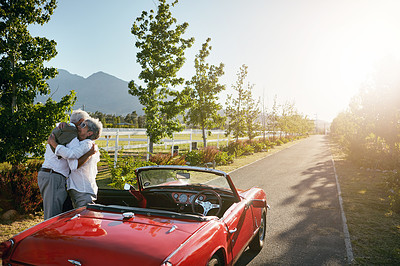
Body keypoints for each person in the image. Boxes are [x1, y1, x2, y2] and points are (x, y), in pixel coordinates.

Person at [38, 109, 91, 220]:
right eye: (85, 123)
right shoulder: (72, 134)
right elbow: (72, 158)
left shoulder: (62, 129)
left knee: (54, 215)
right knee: (52, 219)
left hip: (48, 174)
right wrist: (89, 153)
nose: (86, 126)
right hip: (54, 176)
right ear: (81, 121)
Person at [48, 117, 103, 208]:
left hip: (83, 190)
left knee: (84, 219)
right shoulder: (81, 144)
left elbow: (71, 156)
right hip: (78, 188)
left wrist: (54, 143)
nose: (79, 126)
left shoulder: (87, 144)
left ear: (89, 133)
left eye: (83, 125)